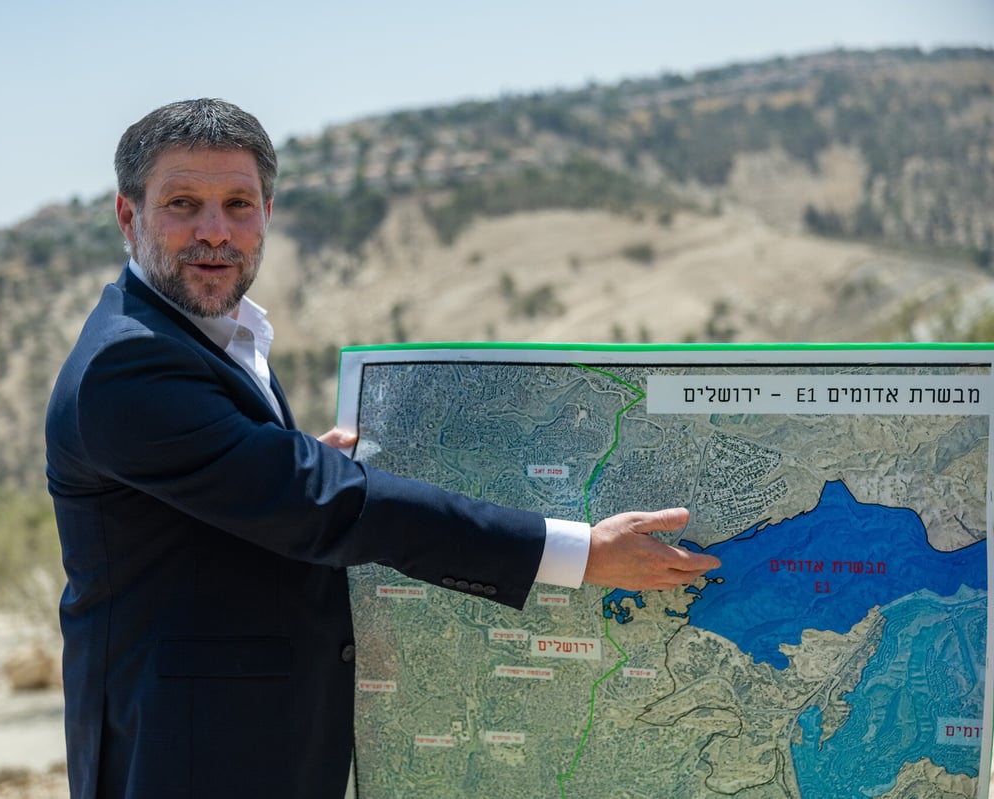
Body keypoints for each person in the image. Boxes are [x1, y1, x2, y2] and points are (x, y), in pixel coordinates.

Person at [45, 98, 720, 799]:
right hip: (182, 757)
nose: (215, 230)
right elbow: (324, 506)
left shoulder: (209, 333)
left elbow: (229, 501)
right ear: (128, 216)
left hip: (247, 743)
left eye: (238, 204)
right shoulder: (128, 365)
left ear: (267, 214)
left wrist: (266, 466)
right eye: (183, 203)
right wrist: (581, 554)